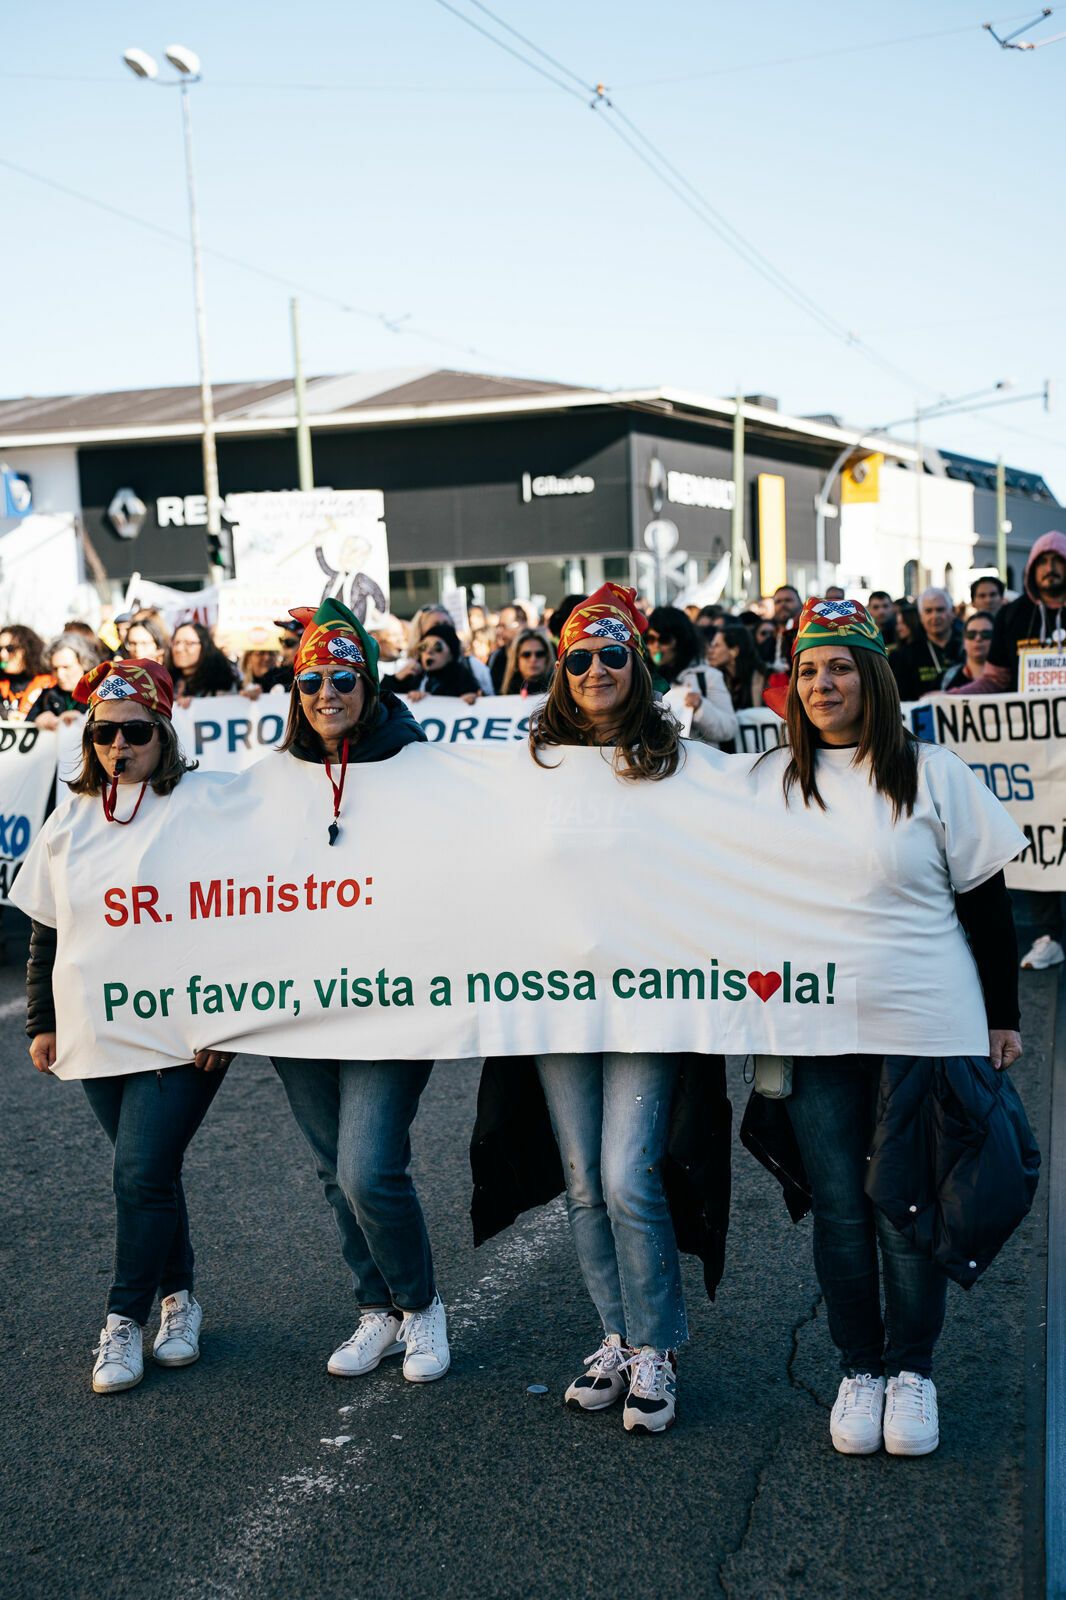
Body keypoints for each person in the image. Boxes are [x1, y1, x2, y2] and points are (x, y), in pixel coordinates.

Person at [749, 597, 1025, 1457]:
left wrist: (1003, 1016)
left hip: (924, 1023)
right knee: (839, 1209)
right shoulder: (766, 781)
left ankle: (912, 1373)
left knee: (907, 1208)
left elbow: (986, 905)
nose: (822, 684)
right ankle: (859, 1369)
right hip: (811, 1030)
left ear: (872, 676)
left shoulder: (933, 772)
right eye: (807, 670)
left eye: (839, 667)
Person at [483, 583, 717, 1434]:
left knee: (626, 1174)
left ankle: (657, 1345)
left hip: (647, 1002)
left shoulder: (681, 761)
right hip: (559, 1003)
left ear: (637, 663)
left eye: (611, 654)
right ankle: (616, 1335)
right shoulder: (534, 763)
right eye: (577, 657)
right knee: (583, 1179)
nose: (593, 670)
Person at [11, 658, 232, 1394]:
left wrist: (228, 1017)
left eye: (135, 732)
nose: (118, 746)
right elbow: (47, 930)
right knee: (151, 1174)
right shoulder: (69, 818)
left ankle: (123, 1320)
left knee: (138, 1171)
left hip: (182, 1032)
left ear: (163, 734)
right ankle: (181, 1300)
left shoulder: (203, 806)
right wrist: (42, 1021)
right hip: (96, 1026)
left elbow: (244, 916)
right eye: (104, 733)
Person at [268, 598, 449, 1383]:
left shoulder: (416, 768)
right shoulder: (274, 780)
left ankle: (422, 1305)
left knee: (367, 1168)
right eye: (311, 681)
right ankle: (376, 1307)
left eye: (343, 678)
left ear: (370, 686)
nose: (326, 693)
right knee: (330, 1171)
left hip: (390, 1004)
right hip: (301, 1008)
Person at [955, 531, 1066, 969]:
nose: (1050, 570)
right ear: (1032, 569)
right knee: (1040, 834)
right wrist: (951, 699)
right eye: (1043, 562)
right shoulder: (1014, 616)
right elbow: (996, 679)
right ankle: (1047, 934)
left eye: (1057, 561)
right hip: (1033, 753)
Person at [645, 605, 737, 746]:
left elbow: (729, 728)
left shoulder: (707, 677)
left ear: (680, 640)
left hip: (697, 759)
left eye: (664, 639)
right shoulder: (644, 677)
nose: (656, 646)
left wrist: (700, 707)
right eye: (650, 639)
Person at [888, 587, 962, 700]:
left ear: (952, 612)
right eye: (928, 611)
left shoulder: (968, 646)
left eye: (940, 610)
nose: (935, 616)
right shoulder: (905, 655)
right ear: (921, 616)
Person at [28, 632, 98, 726]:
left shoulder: (99, 695)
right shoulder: (47, 695)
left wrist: (83, 718)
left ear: (84, 664)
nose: (60, 675)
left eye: (66, 667)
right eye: (55, 669)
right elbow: (26, 724)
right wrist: (38, 719)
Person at [399, 624, 481, 702]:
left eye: (437, 647)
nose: (428, 651)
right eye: (423, 646)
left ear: (451, 654)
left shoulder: (462, 677)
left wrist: (471, 698)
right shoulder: (415, 676)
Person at [167, 623, 239, 702]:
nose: (179, 649)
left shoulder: (223, 685)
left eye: (188, 643)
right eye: (176, 643)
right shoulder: (166, 683)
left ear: (204, 645)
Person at [0, 625, 54, 720]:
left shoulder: (49, 683)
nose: (2, 655)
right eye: (0, 649)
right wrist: (6, 714)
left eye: (10, 649)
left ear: (27, 649)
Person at [708, 622, 765, 711]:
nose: (710, 651)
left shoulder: (765, 679)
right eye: (711, 646)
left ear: (734, 651)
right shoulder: (715, 678)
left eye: (716, 646)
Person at [759, 584, 802, 694]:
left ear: (800, 604)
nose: (783, 605)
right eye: (778, 602)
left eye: (788, 600)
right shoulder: (769, 635)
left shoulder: (806, 633)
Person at [941, 612, 995, 690]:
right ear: (964, 641)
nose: (978, 638)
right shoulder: (946, 679)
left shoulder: (1008, 679)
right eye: (971, 634)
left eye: (986, 634)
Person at [499, 626, 554, 696]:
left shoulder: (560, 691)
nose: (533, 659)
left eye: (539, 654)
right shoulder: (502, 696)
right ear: (516, 659)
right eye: (526, 655)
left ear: (548, 658)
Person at [489, 603, 529, 691]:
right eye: (498, 626)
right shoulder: (497, 657)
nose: (499, 631)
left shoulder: (540, 650)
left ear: (520, 625)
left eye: (503, 626)